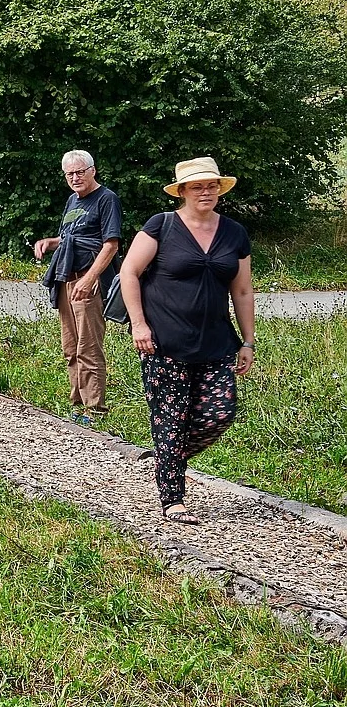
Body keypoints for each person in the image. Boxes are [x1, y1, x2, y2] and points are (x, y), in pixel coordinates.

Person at [120, 157, 256, 525]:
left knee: (219, 414)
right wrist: (138, 325)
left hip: (216, 343)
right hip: (164, 341)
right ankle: (172, 496)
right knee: (171, 417)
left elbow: (242, 290)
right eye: (197, 186)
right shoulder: (160, 226)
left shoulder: (234, 233)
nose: (206, 191)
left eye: (212, 185)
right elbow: (129, 272)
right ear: (182, 192)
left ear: (220, 189)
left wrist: (248, 341)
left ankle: (168, 455)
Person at [32, 149, 123, 426]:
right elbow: (71, 238)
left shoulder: (107, 199)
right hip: (66, 277)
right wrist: (51, 242)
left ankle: (95, 409)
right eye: (70, 174)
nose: (75, 178)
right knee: (70, 347)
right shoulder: (72, 200)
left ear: (93, 171)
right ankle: (78, 405)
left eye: (80, 172)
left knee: (88, 346)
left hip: (88, 280)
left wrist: (90, 279)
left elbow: (111, 244)